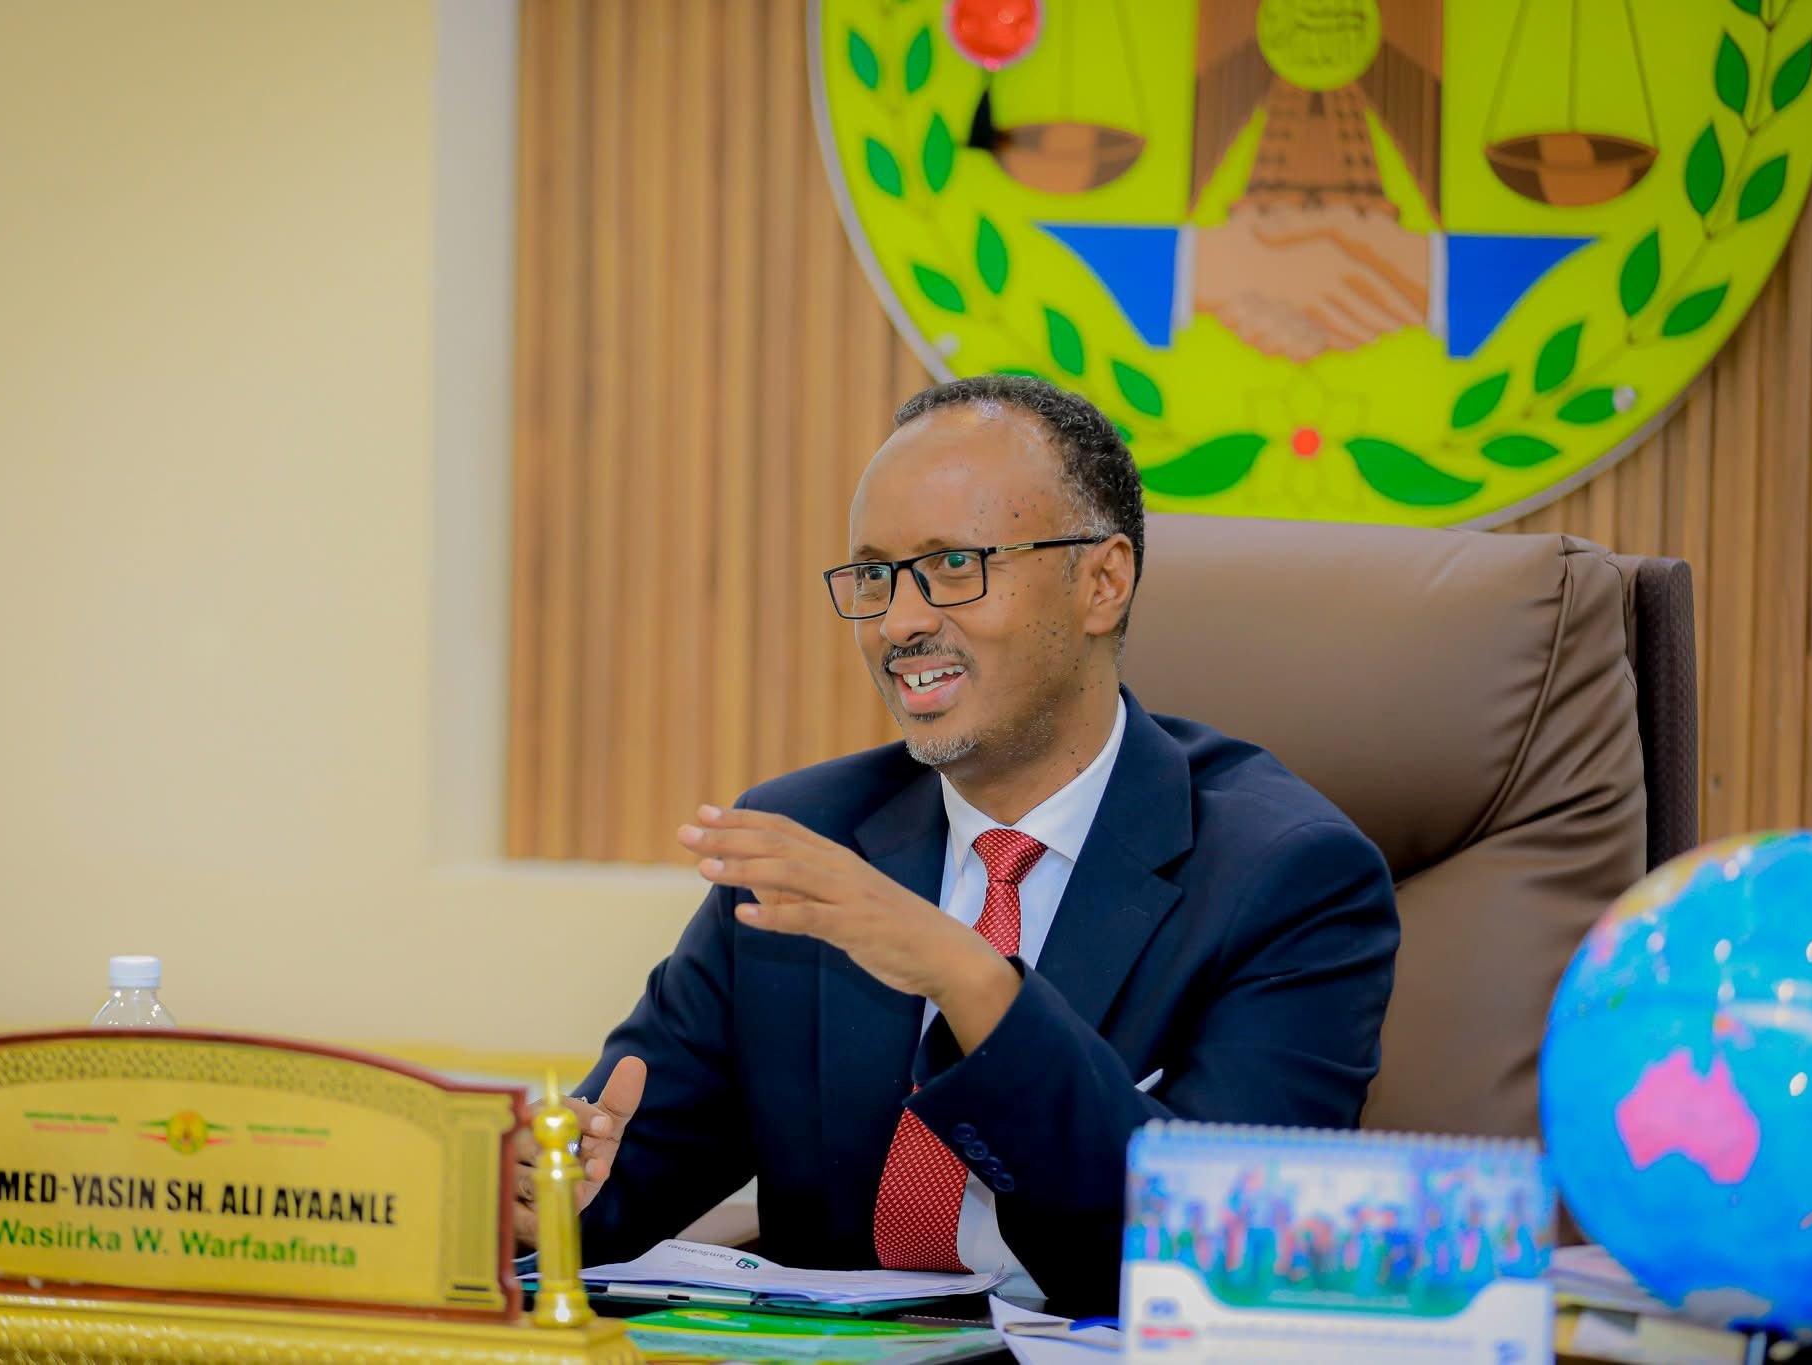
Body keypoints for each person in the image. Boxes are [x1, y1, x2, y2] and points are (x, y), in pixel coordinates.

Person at [515, 375, 1399, 1314]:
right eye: (875, 576)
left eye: (952, 565)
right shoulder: (810, 840)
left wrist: (970, 981)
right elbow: (612, 1192)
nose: (899, 622)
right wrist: (547, 1193)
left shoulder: (1289, 877)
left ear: (1102, 583)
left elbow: (1211, 1264)